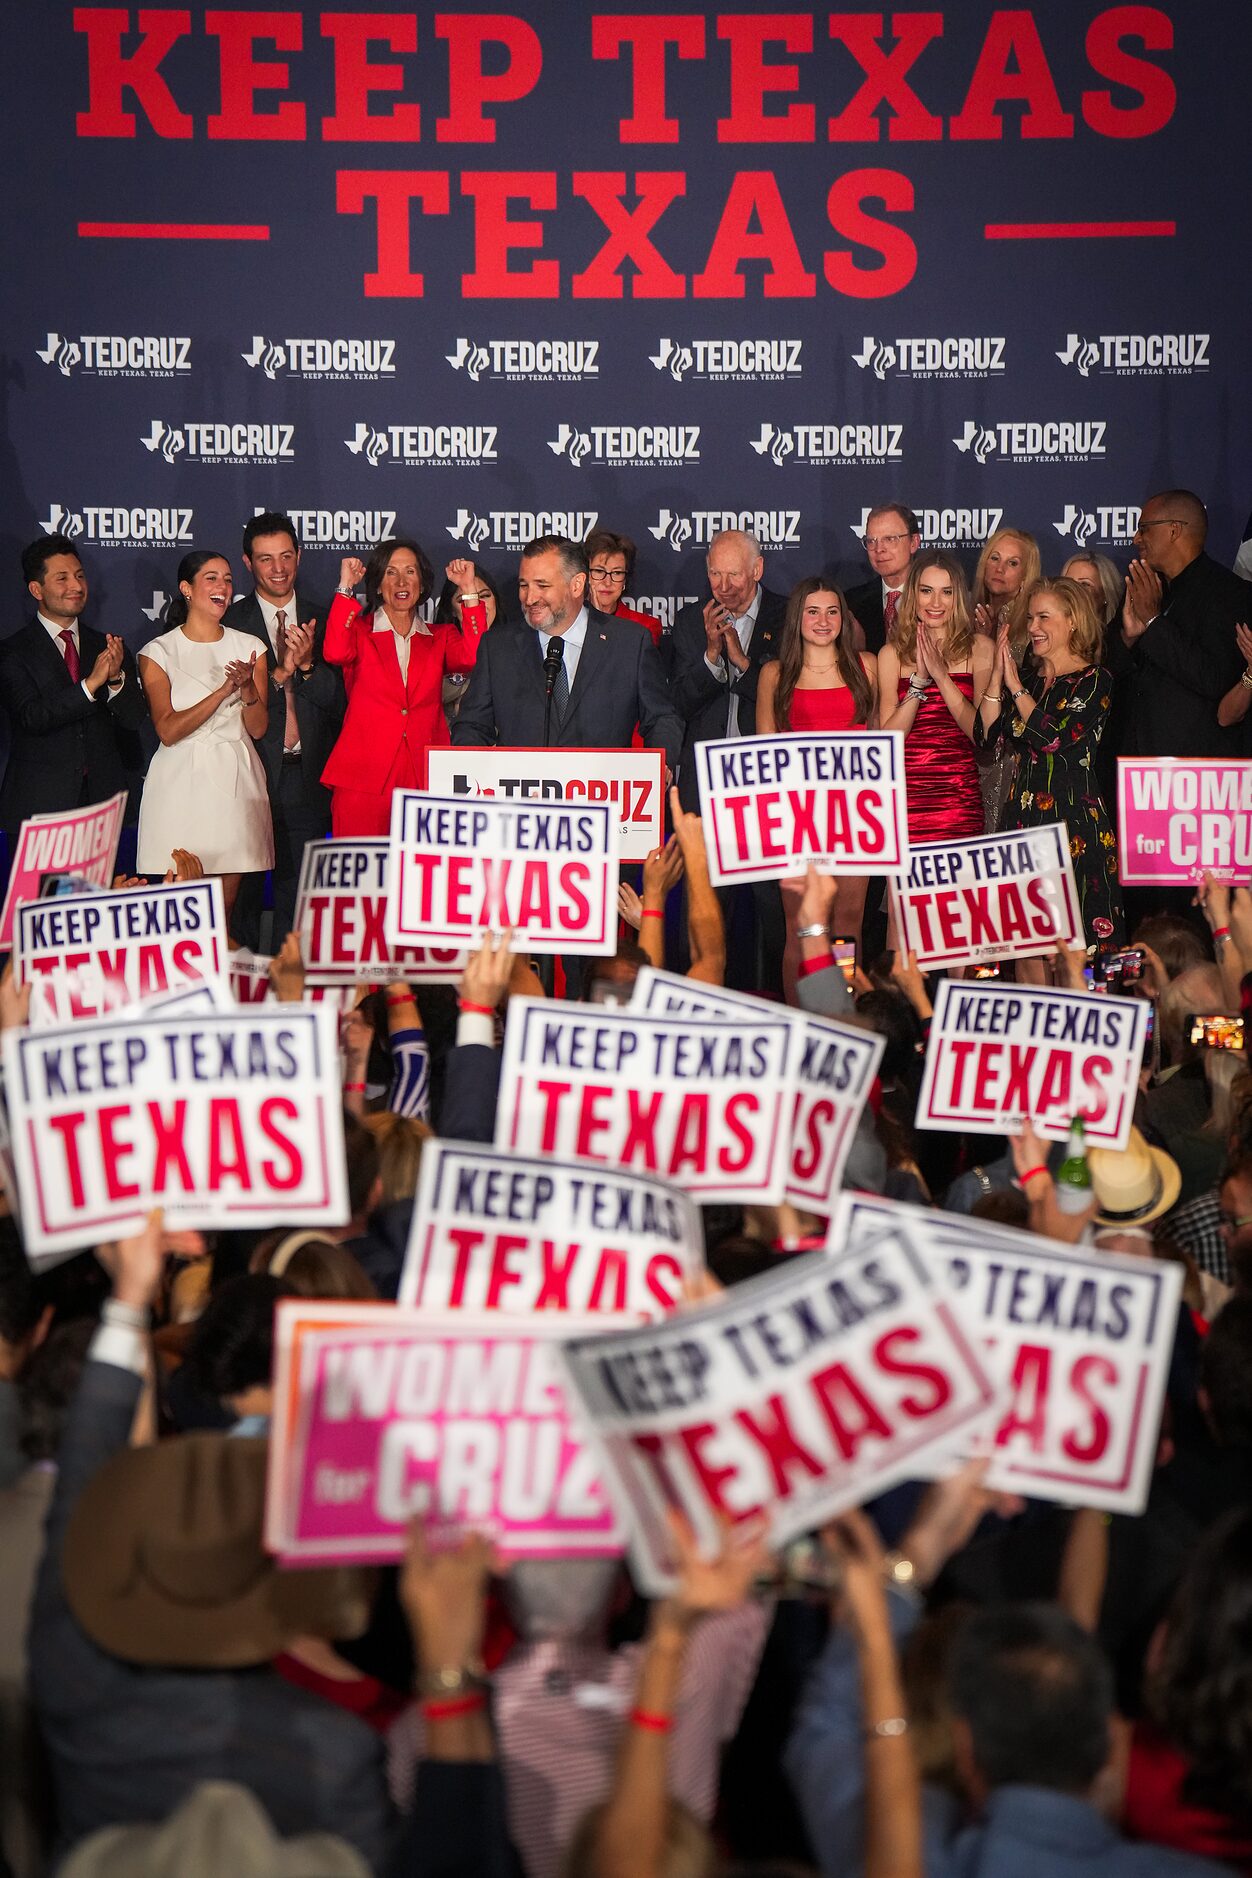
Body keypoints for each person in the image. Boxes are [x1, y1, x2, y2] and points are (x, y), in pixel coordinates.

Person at [976, 575, 1123, 947]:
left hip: (1073, 827)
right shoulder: (1024, 677)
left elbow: (1053, 738)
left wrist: (1017, 689)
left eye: (1044, 617)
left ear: (1073, 619)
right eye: (1029, 619)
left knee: (1076, 953)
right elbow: (985, 738)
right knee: (1027, 947)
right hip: (1021, 824)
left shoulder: (1093, 680)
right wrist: (997, 676)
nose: (1034, 627)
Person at [452, 535, 681, 765]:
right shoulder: (498, 647)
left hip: (604, 792)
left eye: (542, 585)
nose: (530, 598)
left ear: (577, 585)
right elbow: (472, 726)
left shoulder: (630, 642)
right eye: (524, 585)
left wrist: (660, 765)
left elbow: (662, 718)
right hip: (523, 794)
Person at [136, 552, 273, 923]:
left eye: (228, 580)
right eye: (211, 578)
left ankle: (219, 979)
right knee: (177, 912)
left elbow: (258, 728)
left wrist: (246, 690)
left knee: (221, 914)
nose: (223, 588)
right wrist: (221, 691)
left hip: (234, 783)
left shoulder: (251, 647)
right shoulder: (158, 652)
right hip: (179, 784)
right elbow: (167, 729)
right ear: (186, 588)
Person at [228, 511, 343, 948]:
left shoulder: (329, 618)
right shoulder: (229, 624)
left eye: (286, 556)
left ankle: (291, 1002)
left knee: (299, 906)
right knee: (241, 901)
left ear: (300, 556)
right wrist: (281, 671)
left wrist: (310, 665)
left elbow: (341, 705)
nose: (278, 568)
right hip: (245, 776)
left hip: (307, 778)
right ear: (247, 562)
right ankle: (240, 1000)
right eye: (265, 559)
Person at [321, 540, 489, 837]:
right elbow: (334, 651)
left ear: (422, 584)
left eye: (410, 572)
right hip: (363, 777)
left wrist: (469, 590)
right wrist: (346, 586)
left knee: (418, 877)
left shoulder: (441, 636)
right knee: (362, 878)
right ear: (376, 585)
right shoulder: (359, 631)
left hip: (422, 773)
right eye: (390, 572)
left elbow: (476, 656)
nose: (401, 581)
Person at [757, 578, 879, 978]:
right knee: (804, 928)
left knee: (847, 926)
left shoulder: (867, 666)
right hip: (798, 819)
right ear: (798, 619)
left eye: (832, 612)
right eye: (813, 611)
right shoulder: (775, 675)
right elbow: (762, 756)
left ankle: (844, 1026)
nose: (824, 621)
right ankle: (804, 1025)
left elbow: (879, 747)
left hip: (856, 817)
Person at [0, 534, 146, 857]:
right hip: (39, 810)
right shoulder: (12, 651)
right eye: (62, 578)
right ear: (36, 590)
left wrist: (116, 678)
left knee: (100, 904)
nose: (76, 586)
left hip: (102, 810)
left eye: (80, 576)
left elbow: (134, 718)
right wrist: (90, 684)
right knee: (43, 907)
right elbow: (32, 717)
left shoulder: (108, 645)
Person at [1118, 489, 1250, 759]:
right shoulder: (1142, 586)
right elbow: (1107, 669)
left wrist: (1154, 623)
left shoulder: (1231, 594)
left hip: (1195, 770)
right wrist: (1127, 638)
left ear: (1174, 530)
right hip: (1134, 766)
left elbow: (1215, 679)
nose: (1136, 538)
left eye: (1144, 528)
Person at [668, 528, 787, 810]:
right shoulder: (689, 621)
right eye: (715, 573)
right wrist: (711, 657)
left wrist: (743, 664)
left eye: (734, 574)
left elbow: (791, 699)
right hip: (702, 779)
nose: (723, 586)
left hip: (765, 775)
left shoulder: (789, 616)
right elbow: (678, 703)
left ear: (757, 569)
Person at [878, 553, 992, 845]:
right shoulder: (891, 654)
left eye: (947, 592)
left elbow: (981, 735)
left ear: (959, 597)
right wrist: (919, 679)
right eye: (927, 591)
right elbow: (887, 742)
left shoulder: (980, 648)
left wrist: (941, 677)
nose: (936, 603)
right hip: (905, 806)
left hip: (958, 803)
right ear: (913, 594)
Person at [431, 558, 503, 726]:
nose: (478, 604)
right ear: (452, 610)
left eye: (485, 596)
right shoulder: (437, 645)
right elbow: (475, 655)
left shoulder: (518, 650)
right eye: (465, 599)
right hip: (444, 746)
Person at [845, 503, 921, 655]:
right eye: (871, 541)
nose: (879, 549)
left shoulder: (937, 600)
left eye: (890, 539)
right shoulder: (852, 603)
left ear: (914, 542)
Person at [584, 528, 663, 646]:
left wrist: (600, 624)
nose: (607, 582)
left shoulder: (645, 628)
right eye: (599, 571)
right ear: (584, 575)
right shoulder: (568, 623)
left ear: (625, 580)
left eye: (617, 573)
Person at [971, 527, 1042, 649]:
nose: (999, 569)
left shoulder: (1033, 624)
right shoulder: (964, 613)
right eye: (995, 558)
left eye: (1012, 563)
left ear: (1026, 574)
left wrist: (987, 641)